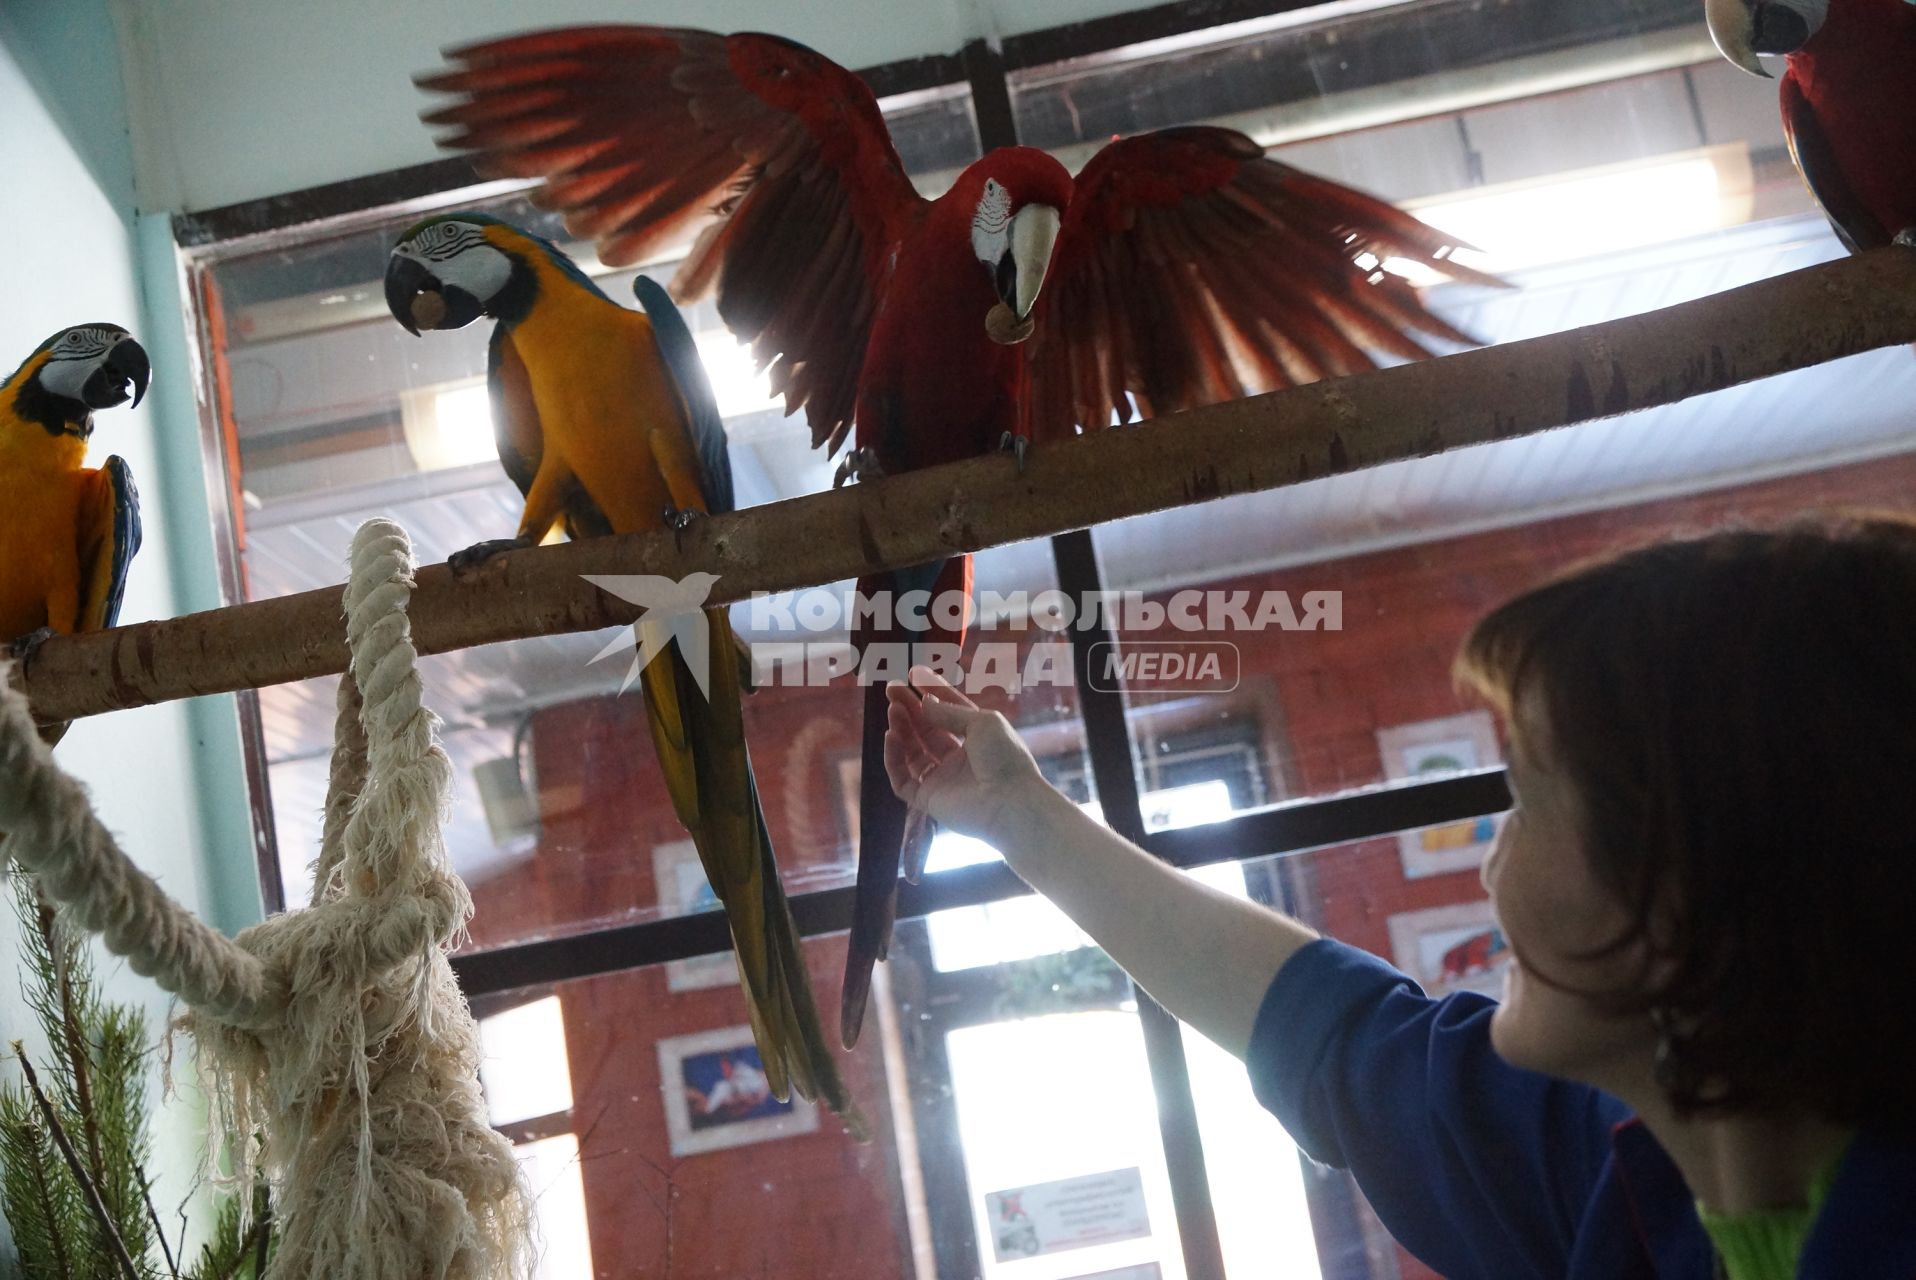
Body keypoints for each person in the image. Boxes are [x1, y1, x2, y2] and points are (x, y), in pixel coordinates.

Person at [881, 515, 1916, 1279]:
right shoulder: (1620, 1162)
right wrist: (1019, 813)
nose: (1488, 864)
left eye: (1526, 800)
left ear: (1686, 884)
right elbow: (1323, 1027)